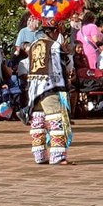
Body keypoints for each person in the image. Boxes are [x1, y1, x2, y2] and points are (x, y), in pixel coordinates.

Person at [26, 24, 72, 164]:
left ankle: (39, 155)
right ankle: (57, 156)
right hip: (50, 87)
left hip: (34, 89)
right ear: (55, 31)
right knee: (56, 120)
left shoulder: (33, 45)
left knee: (38, 121)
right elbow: (63, 67)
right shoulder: (54, 46)